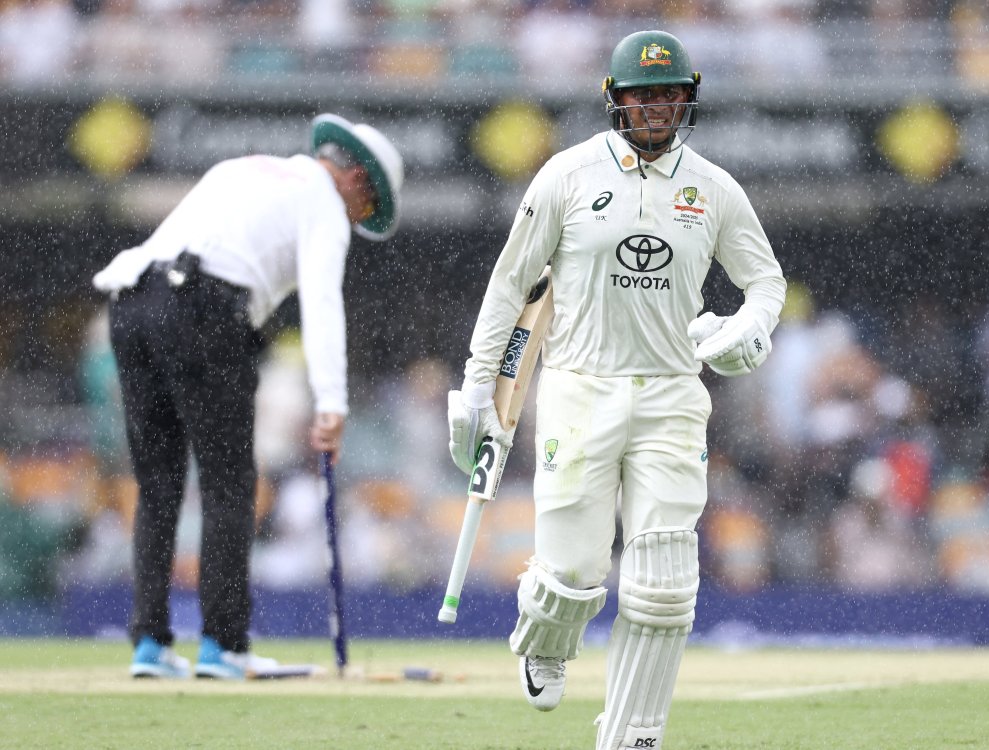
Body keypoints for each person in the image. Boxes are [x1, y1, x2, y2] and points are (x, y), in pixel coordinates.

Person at [446, 30, 785, 750]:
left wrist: (751, 324)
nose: (656, 108)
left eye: (669, 95)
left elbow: (767, 281)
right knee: (571, 573)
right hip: (578, 387)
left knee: (664, 587)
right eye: (642, 95)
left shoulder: (714, 189)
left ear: (687, 100)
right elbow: (512, 287)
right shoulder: (566, 177)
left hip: (671, 394)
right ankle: (546, 637)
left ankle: (633, 735)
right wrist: (478, 386)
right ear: (615, 101)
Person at [92, 114, 403, 680]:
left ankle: (150, 645)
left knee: (158, 484)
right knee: (230, 481)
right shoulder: (325, 205)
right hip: (206, 310)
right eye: (366, 208)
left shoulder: (242, 168)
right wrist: (332, 404)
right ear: (357, 178)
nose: (358, 222)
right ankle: (223, 645)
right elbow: (322, 304)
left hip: (131, 305)